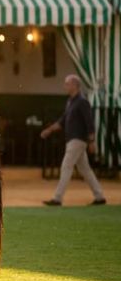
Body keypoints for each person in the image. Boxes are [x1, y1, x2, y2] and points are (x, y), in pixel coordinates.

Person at [40, 75, 107, 206]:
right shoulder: (70, 102)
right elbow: (62, 121)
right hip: (73, 140)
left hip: (77, 140)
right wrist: (49, 130)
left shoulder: (82, 102)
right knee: (85, 170)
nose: (65, 86)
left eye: (67, 84)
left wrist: (92, 140)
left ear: (75, 85)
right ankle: (100, 196)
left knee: (66, 166)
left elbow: (89, 122)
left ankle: (57, 198)